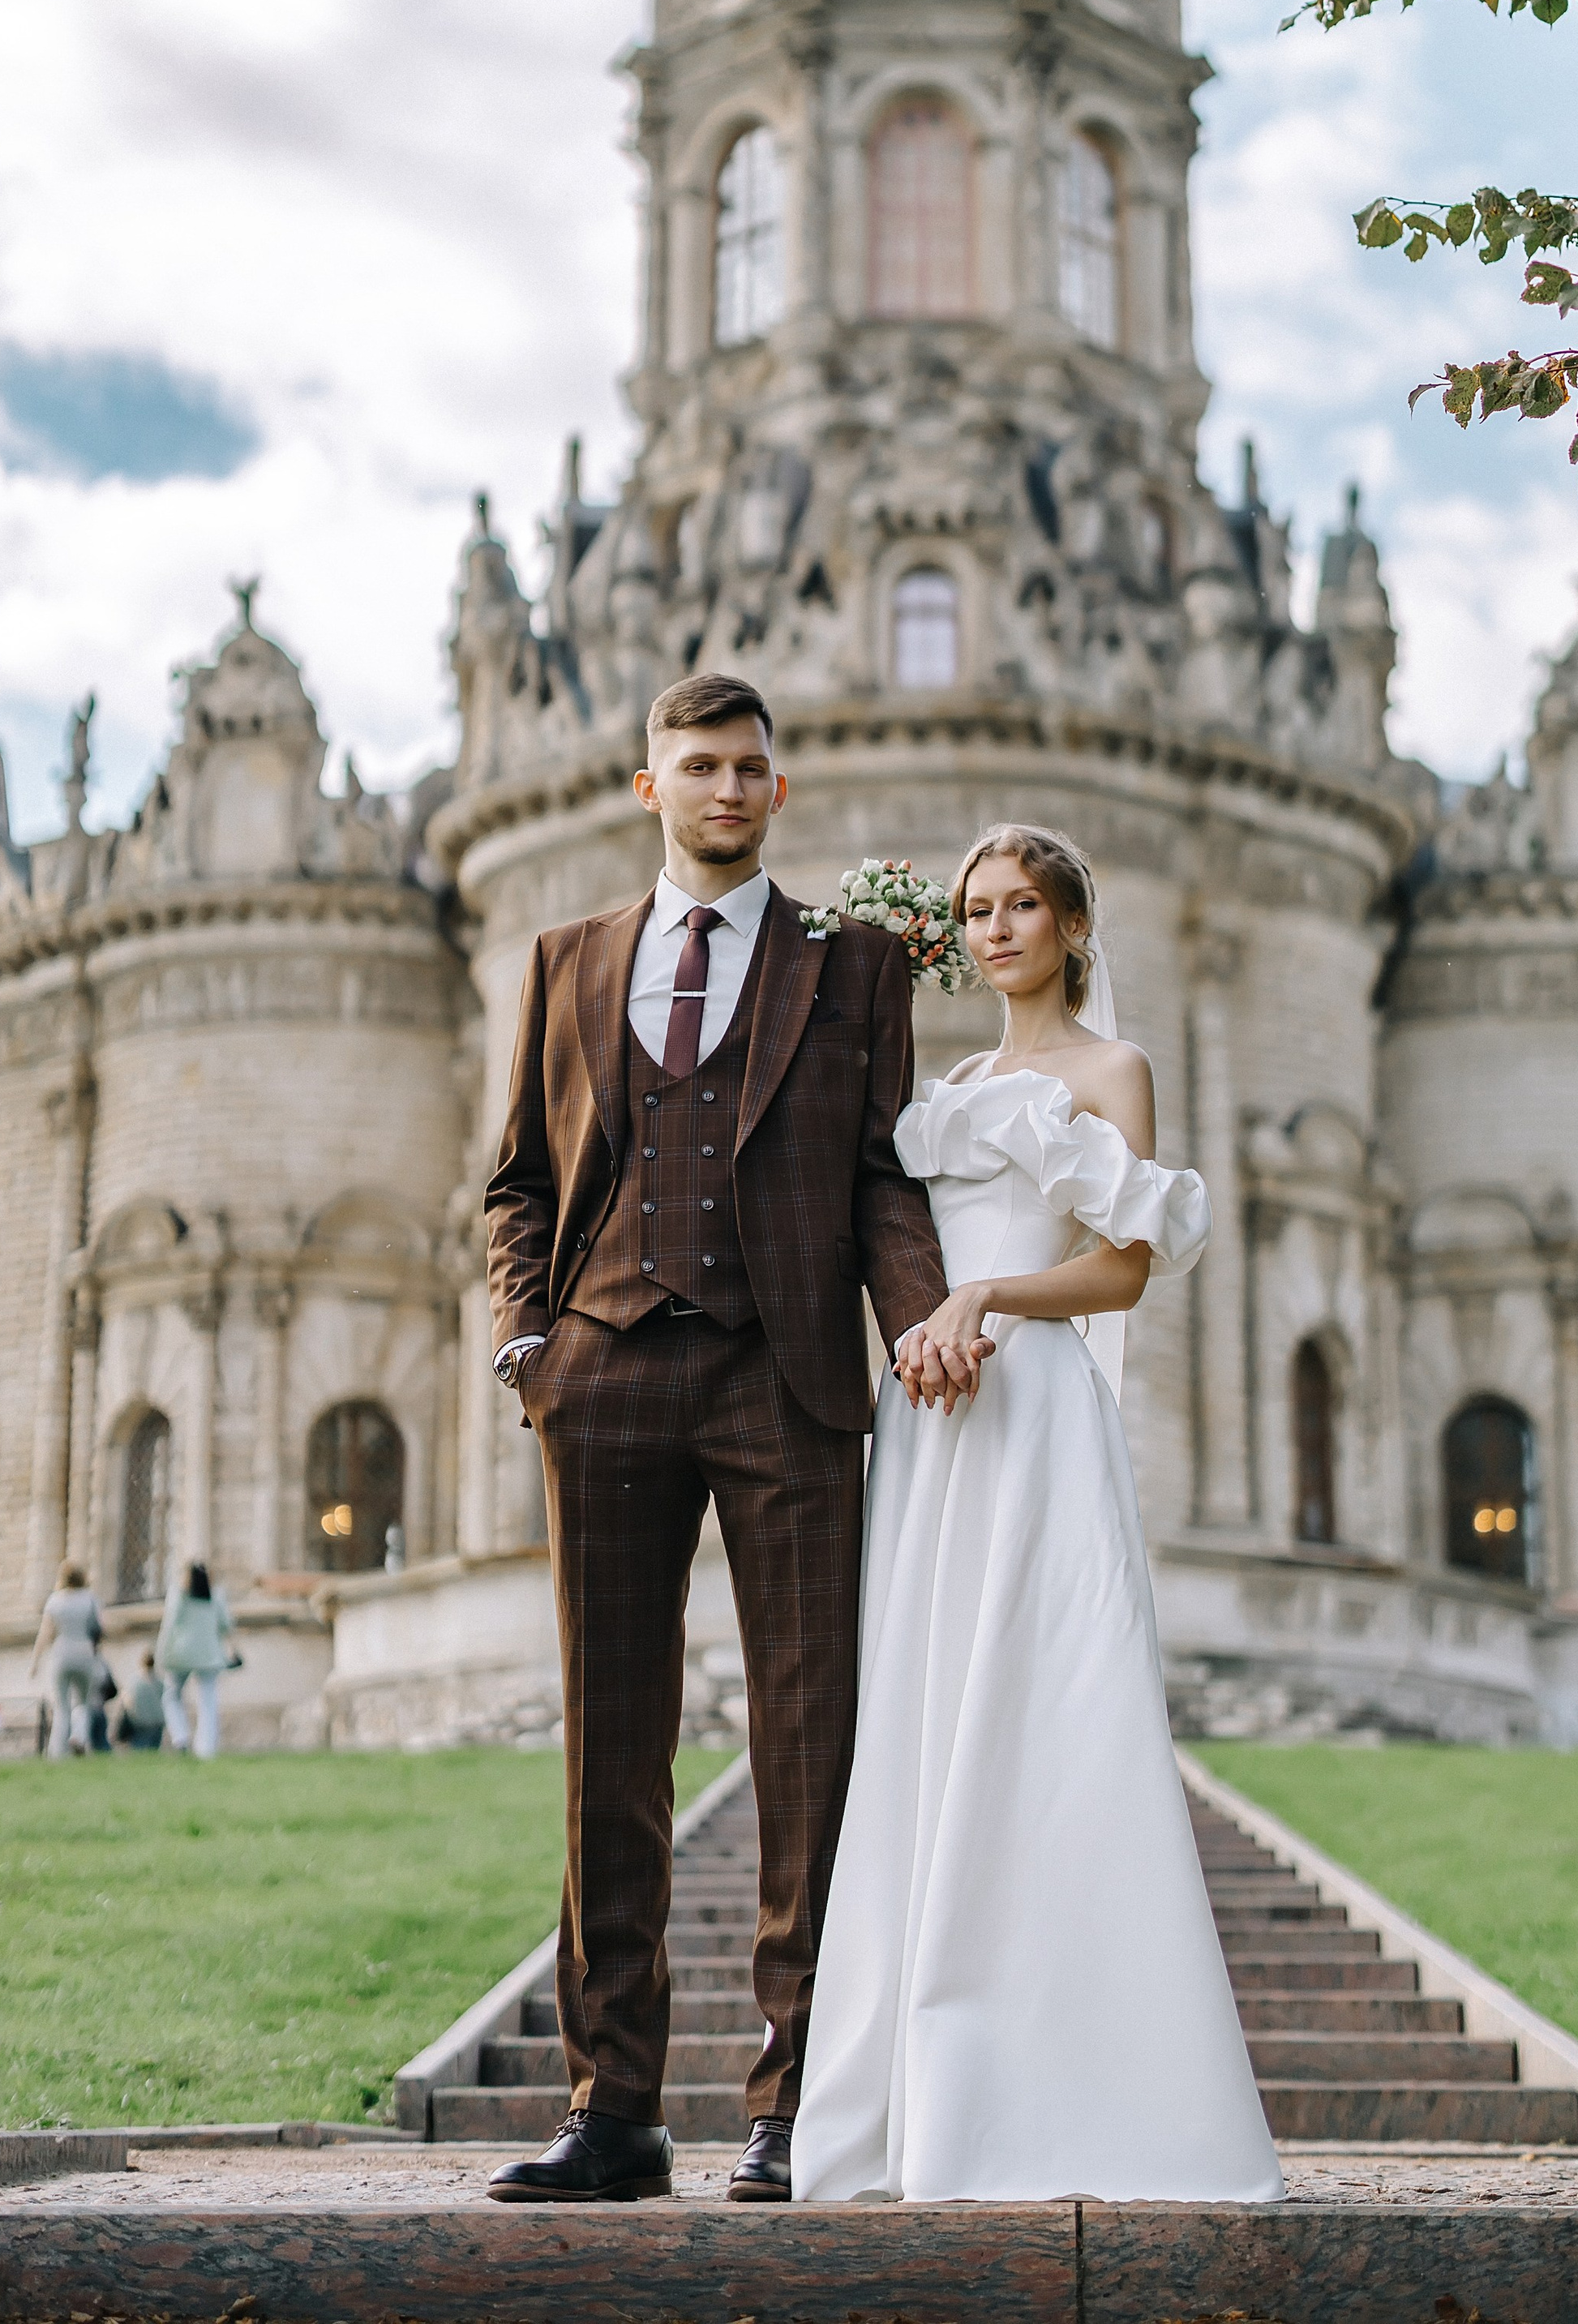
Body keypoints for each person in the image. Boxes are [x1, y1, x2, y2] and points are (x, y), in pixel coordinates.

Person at [481, 673, 949, 2210]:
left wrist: (924, 1329)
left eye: (753, 768)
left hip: (786, 1379)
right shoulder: (565, 963)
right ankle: (613, 2110)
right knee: (609, 1752)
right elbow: (518, 1187)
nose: (730, 789)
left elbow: (885, 1177)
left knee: (811, 1746)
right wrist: (528, 1340)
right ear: (649, 786)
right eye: (702, 766)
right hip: (604, 1374)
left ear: (779, 792)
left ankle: (794, 2105)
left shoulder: (855, 967)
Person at [791, 823, 1285, 2206]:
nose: (997, 928)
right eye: (977, 910)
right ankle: (914, 2102)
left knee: (1049, 1715)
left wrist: (989, 1300)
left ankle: (1088, 2096)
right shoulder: (944, 1090)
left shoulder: (1109, 1069)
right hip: (938, 1421)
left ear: (1073, 926)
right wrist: (923, 1329)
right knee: (929, 1716)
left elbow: (1126, 1268)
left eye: (1022, 907)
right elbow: (899, 1248)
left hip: (1038, 1408)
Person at [156, 1562, 236, 1755]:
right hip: (209, 1654)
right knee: (208, 1701)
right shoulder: (215, 1595)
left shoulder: (179, 1595)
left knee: (172, 1696)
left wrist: (161, 1653)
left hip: (181, 1653)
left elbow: (169, 1624)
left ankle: (180, 1738)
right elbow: (226, 1624)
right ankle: (206, 1749)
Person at [28, 1563, 102, 1760]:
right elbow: (99, 1628)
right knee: (83, 1703)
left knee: (62, 1706)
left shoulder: (55, 1601)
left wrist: (35, 1661)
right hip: (85, 1654)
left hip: (61, 1654)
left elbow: (45, 1633)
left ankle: (57, 1752)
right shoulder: (90, 1599)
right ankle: (79, 1737)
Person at [124, 1652, 167, 1752]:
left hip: (140, 1720)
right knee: (154, 1748)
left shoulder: (134, 1682)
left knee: (139, 1747)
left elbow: (127, 1701)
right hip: (157, 1720)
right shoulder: (160, 1682)